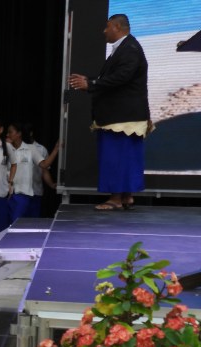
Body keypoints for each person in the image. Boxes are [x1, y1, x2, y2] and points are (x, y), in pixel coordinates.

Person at [68, 13, 150, 211]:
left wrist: (92, 84)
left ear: (117, 27)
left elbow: (122, 77)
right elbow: (114, 76)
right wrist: (89, 79)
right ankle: (126, 196)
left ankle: (115, 198)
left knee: (115, 156)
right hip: (126, 116)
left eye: (107, 27)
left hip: (122, 117)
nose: (104, 31)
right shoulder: (125, 48)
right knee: (126, 156)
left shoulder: (129, 49)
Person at [6, 122, 53, 223]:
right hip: (6, 194)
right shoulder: (5, 149)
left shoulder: (30, 149)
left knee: (17, 224)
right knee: (8, 225)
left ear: (19, 134)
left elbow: (44, 165)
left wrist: (57, 149)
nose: (7, 135)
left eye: (10, 132)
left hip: (23, 193)